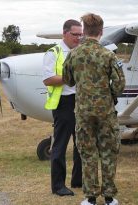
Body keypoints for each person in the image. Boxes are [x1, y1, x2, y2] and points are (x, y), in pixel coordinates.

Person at [62, 13, 125, 205]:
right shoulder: (108, 54)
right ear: (101, 31)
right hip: (106, 112)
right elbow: (120, 83)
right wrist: (110, 97)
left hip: (83, 112)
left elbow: (68, 80)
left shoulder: (73, 54)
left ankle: (90, 198)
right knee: (108, 152)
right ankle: (109, 197)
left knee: (87, 154)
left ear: (85, 31)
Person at [42, 19, 83, 197]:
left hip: (80, 101)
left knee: (81, 143)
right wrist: (71, 76)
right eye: (75, 34)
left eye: (81, 34)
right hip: (63, 103)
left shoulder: (80, 51)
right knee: (60, 145)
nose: (79, 38)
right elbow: (48, 79)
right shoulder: (54, 53)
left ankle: (78, 181)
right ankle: (58, 186)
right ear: (64, 33)